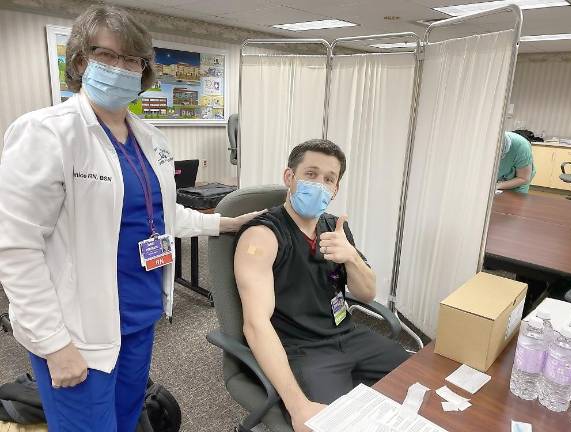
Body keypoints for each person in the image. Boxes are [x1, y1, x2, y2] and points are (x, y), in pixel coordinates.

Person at [0, 5, 261, 431]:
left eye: (132, 59)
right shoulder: (46, 133)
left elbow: (159, 215)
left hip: (139, 318)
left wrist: (223, 223)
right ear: (81, 60)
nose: (121, 68)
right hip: (78, 330)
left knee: (126, 421)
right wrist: (53, 344)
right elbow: (16, 248)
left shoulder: (149, 137)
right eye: (108, 56)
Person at [234, 139, 410, 432]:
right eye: (311, 174)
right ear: (290, 177)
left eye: (329, 179)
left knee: (417, 385)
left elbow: (367, 293)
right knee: (337, 425)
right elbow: (255, 325)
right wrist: (297, 406)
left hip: (350, 336)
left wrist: (351, 257)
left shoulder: (335, 228)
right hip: (304, 350)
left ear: (336, 189)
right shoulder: (263, 237)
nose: (319, 184)